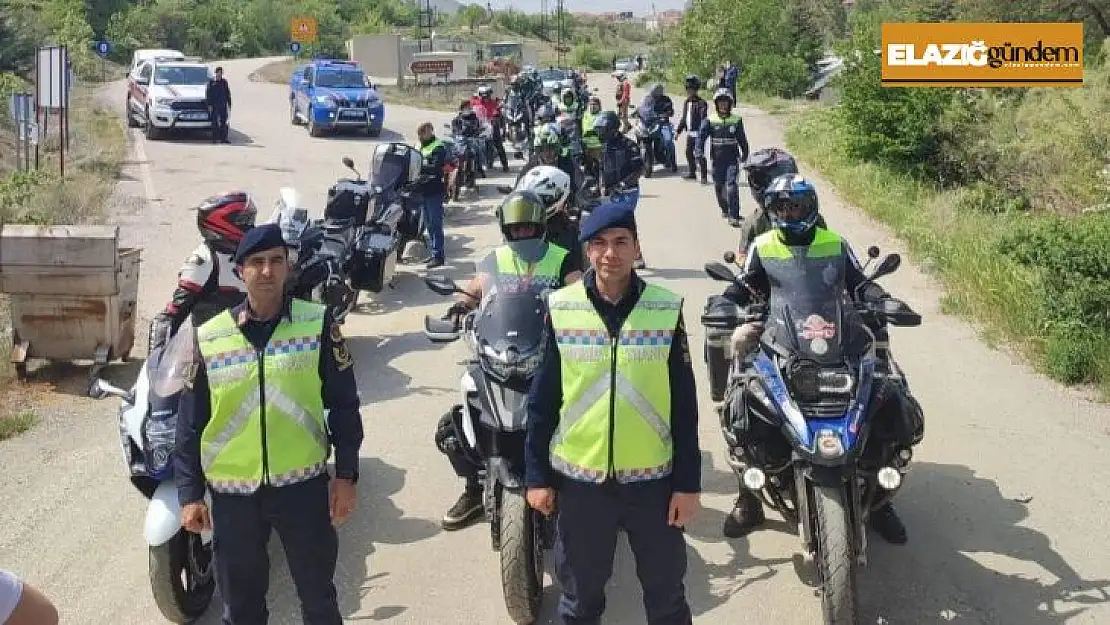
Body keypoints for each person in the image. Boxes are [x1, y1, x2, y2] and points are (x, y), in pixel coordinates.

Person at [174, 223, 364, 625]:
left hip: (302, 490)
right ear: (240, 271)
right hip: (232, 497)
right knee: (241, 610)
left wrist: (346, 475)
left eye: (276, 261)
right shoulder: (210, 337)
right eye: (256, 263)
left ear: (287, 266)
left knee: (318, 601)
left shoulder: (318, 324)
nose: (266, 271)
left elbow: (345, 405)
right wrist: (190, 493)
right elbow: (190, 423)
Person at [525, 201, 701, 625]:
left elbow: (684, 405)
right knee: (579, 602)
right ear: (586, 251)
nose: (610, 253)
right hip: (582, 485)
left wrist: (688, 485)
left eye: (621, 242)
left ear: (637, 248)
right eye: (599, 243)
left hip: (653, 485)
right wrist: (536, 477)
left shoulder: (666, 308)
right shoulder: (561, 307)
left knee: (667, 600)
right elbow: (542, 400)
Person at [719, 174, 918, 544]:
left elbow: (859, 282)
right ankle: (748, 499)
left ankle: (880, 502)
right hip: (782, 337)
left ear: (812, 206)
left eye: (798, 205)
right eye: (783, 207)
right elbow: (744, 286)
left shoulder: (834, 243)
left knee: (884, 393)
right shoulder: (763, 246)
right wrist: (725, 303)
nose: (791, 213)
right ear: (772, 211)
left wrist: (881, 298)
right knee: (741, 399)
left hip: (835, 336)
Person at [435, 191, 583, 529]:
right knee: (454, 426)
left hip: (545, 351)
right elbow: (478, 286)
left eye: (528, 228)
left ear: (540, 227)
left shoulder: (561, 258)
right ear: (506, 230)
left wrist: (582, 305)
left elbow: (577, 288)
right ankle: (474, 488)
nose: (522, 235)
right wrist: (461, 305)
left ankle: (587, 488)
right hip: (500, 348)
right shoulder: (497, 258)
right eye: (516, 230)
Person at [149, 191, 257, 351]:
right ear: (224, 224)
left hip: (249, 344)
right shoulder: (204, 261)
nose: (251, 226)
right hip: (215, 354)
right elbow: (168, 318)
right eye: (245, 221)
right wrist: (155, 365)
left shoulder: (247, 252)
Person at [696, 88, 749, 227]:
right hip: (717, 160)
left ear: (730, 104)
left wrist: (745, 153)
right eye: (720, 102)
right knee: (718, 186)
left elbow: (742, 139)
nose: (723, 105)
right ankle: (725, 209)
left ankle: (734, 215)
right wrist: (698, 151)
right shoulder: (710, 120)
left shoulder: (736, 120)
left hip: (732, 159)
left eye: (726, 102)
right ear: (716, 104)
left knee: (732, 186)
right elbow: (701, 137)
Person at [517, 165, 585, 271]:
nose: (531, 206)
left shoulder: (571, 235)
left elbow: (576, 278)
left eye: (538, 200)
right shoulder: (517, 229)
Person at [414, 122, 449, 269]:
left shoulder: (438, 146)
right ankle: (434, 253)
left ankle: (438, 256)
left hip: (434, 190)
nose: (422, 135)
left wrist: (419, 166)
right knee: (428, 224)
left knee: (435, 223)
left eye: (425, 132)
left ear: (431, 132)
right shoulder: (419, 145)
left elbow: (435, 167)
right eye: (421, 133)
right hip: (423, 189)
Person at [675, 75, 708, 184]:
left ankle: (703, 176)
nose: (689, 92)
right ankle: (692, 173)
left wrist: (702, 132)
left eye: (692, 89)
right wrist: (678, 131)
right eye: (688, 89)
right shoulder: (686, 102)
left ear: (696, 90)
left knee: (699, 154)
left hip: (698, 133)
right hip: (690, 133)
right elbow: (684, 119)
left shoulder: (702, 103)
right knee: (688, 153)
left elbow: (704, 119)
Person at [471, 85, 509, 173]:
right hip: (480, 126)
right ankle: (477, 168)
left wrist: (496, 116)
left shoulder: (494, 102)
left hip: (492, 125)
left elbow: (498, 110)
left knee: (499, 145)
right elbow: (468, 109)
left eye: (487, 95)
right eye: (483, 95)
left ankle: (505, 165)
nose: (485, 98)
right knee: (474, 146)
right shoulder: (474, 102)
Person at [452, 100, 485, 182]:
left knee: (478, 151)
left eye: (468, 107)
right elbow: (454, 130)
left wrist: (477, 132)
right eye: (465, 107)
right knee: (454, 153)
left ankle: (480, 168)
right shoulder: (457, 119)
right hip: (461, 141)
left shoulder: (474, 118)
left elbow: (478, 128)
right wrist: (456, 133)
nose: (467, 109)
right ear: (462, 108)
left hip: (472, 140)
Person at [205, 66, 232, 144]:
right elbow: (208, 94)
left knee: (224, 122)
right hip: (214, 105)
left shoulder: (224, 82)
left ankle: (224, 139)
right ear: (215, 73)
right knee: (214, 123)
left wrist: (229, 104)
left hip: (223, 105)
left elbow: (227, 93)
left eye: (221, 72)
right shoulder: (211, 82)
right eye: (218, 72)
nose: (219, 74)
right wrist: (209, 104)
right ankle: (214, 139)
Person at [580, 96, 604, 179]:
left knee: (599, 168)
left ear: (599, 106)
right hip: (587, 147)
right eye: (591, 104)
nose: (592, 106)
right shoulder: (585, 115)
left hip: (598, 147)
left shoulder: (602, 115)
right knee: (588, 169)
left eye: (595, 104)